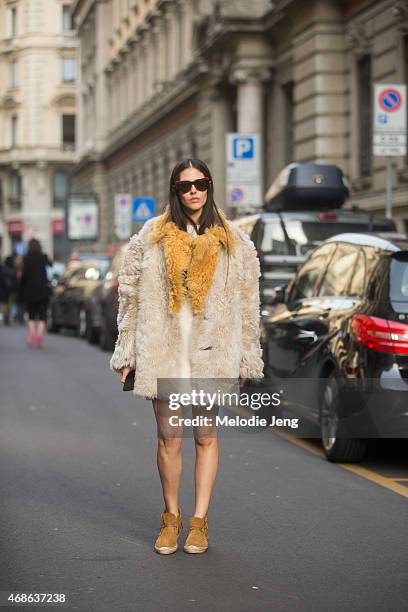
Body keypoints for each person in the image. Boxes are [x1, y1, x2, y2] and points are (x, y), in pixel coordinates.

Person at [110, 158, 264, 555]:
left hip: (213, 352)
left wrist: (247, 356)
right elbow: (129, 293)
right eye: (185, 185)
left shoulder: (234, 239)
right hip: (166, 350)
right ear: (174, 191)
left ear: (210, 185)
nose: (194, 190)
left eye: (201, 183)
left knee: (206, 438)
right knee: (169, 438)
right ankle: (170, 518)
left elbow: (249, 304)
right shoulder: (152, 236)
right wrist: (127, 348)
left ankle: (199, 522)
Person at [19, 238, 53, 348]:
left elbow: (24, 275)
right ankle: (39, 335)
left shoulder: (26, 258)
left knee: (31, 315)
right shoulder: (43, 257)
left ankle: (31, 335)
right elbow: (51, 265)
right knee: (43, 315)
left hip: (30, 291)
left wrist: (21, 287)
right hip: (43, 290)